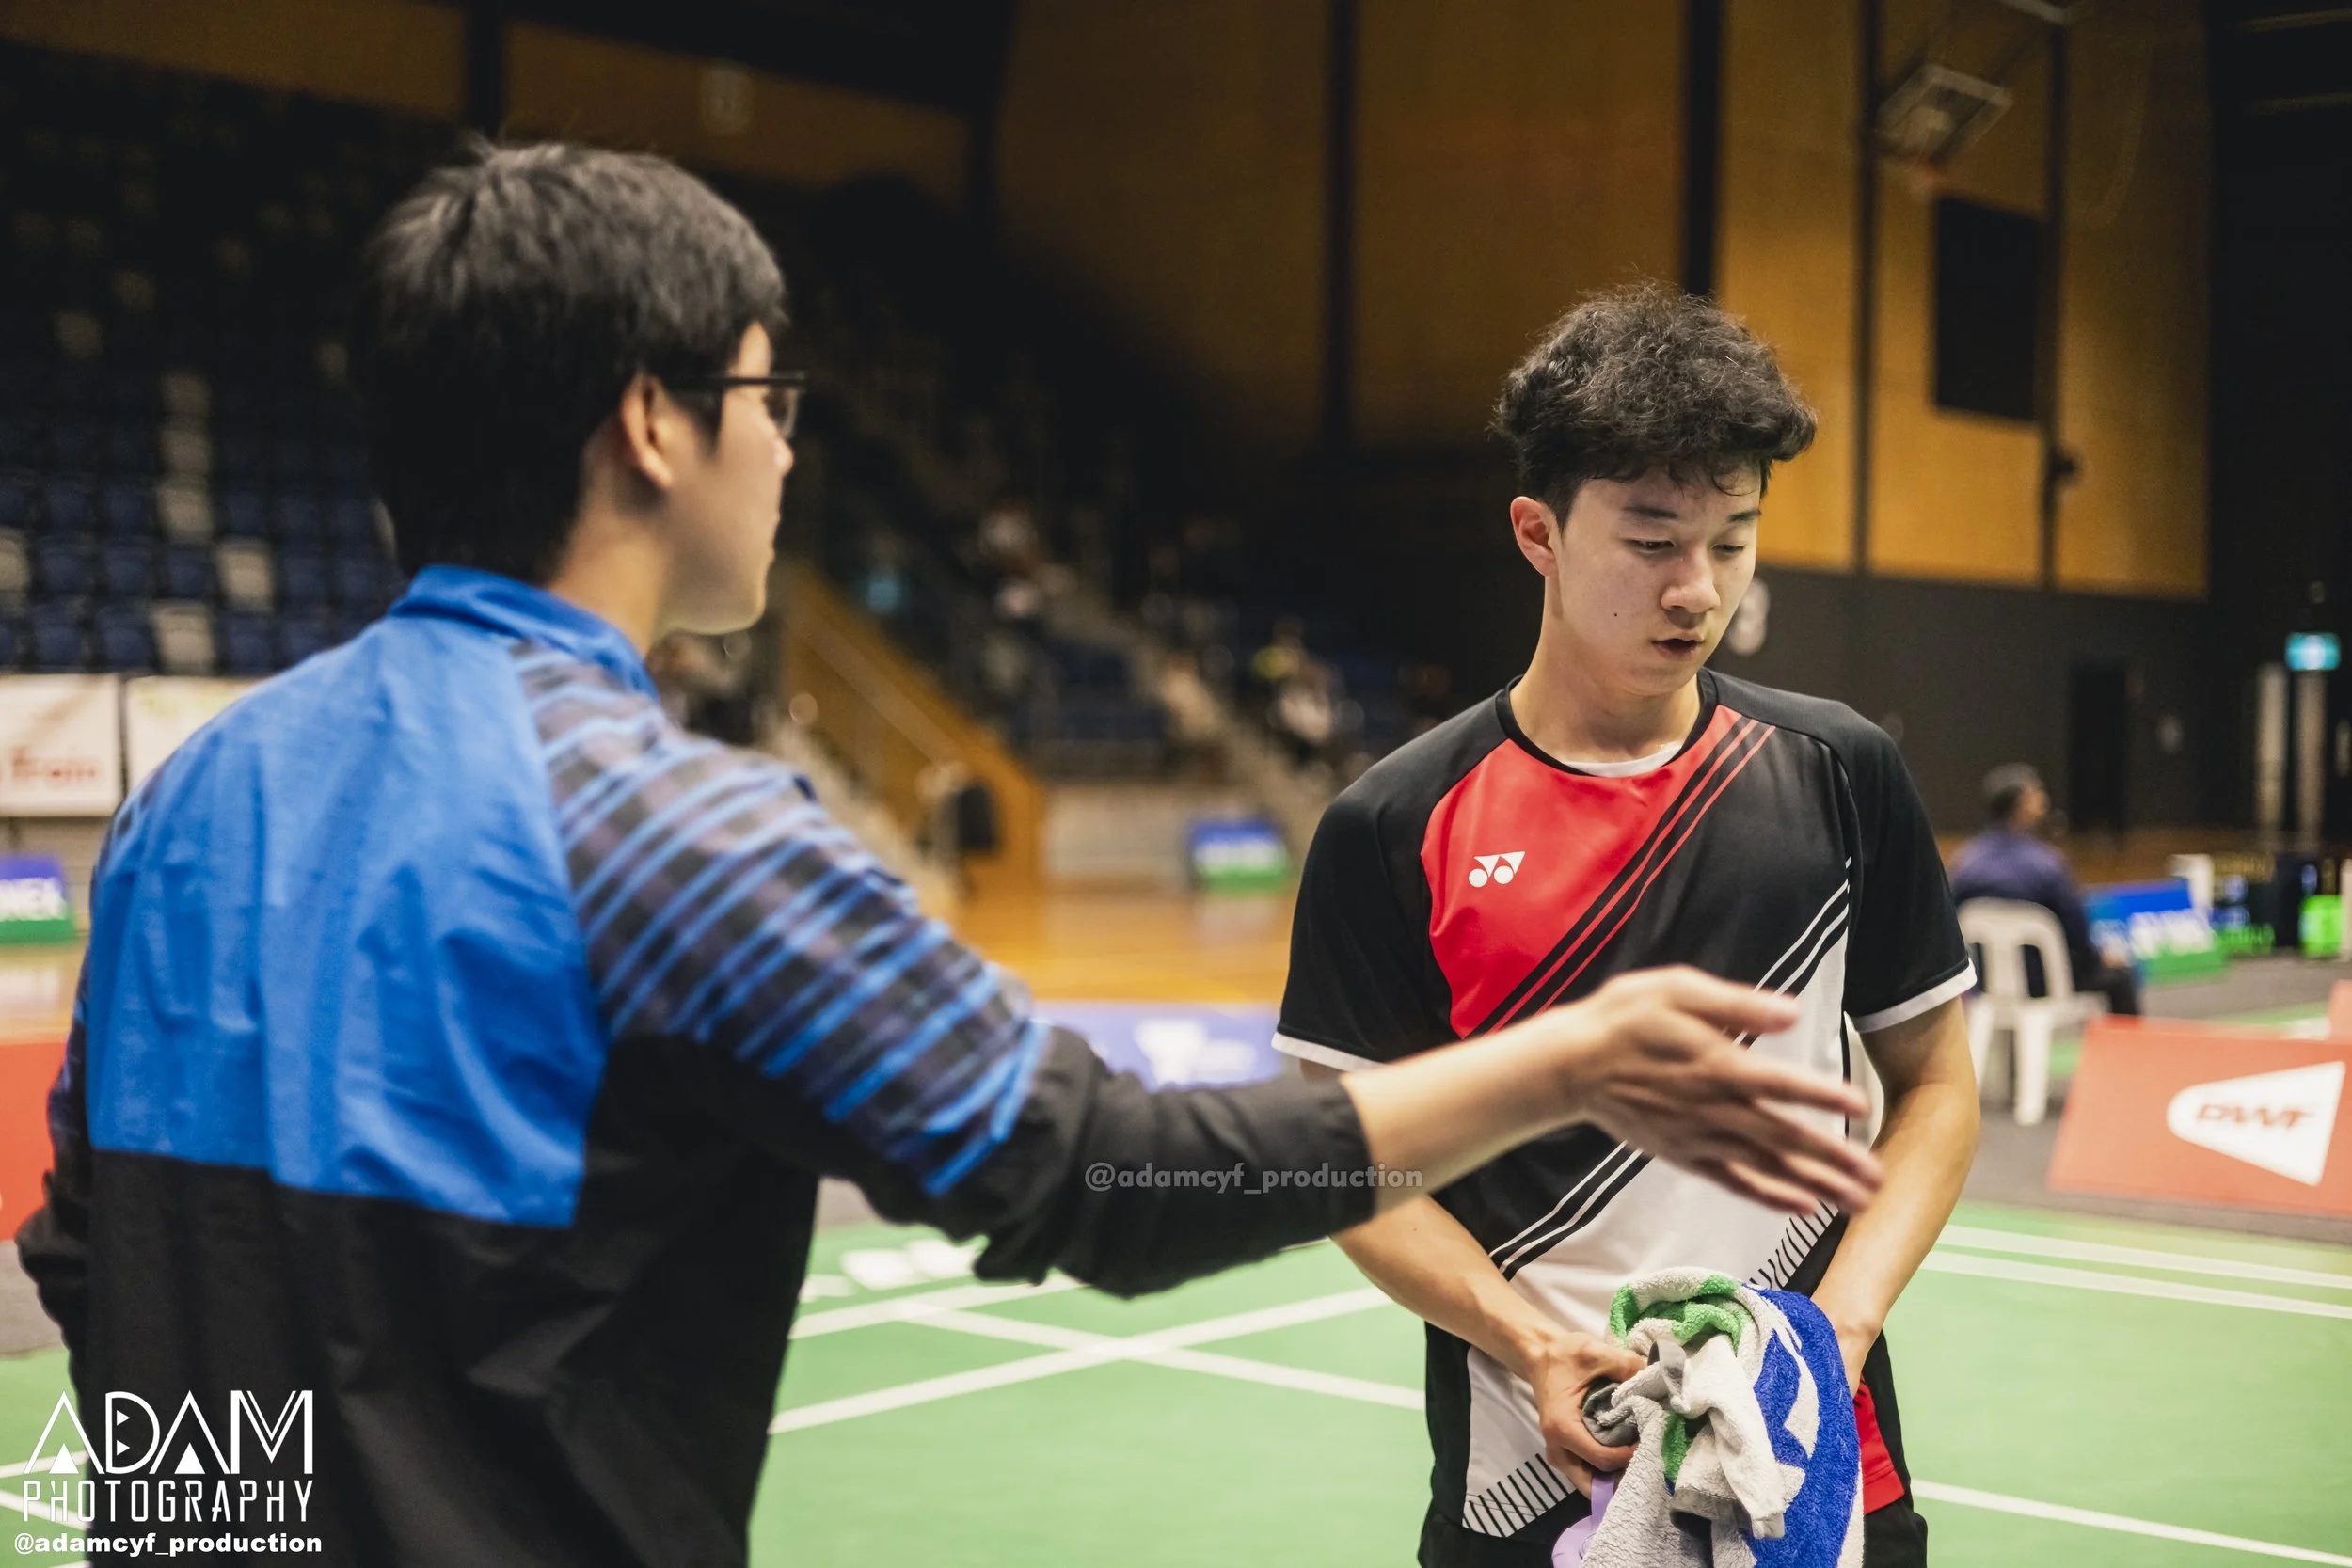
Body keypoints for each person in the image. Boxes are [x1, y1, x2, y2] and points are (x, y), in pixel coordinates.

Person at [14, 149, 1880, 1568]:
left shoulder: (190, 799)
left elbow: (90, 1253)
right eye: (771, 401)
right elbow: (1095, 1170)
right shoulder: (674, 835)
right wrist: (1554, 1061)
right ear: (654, 428)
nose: (788, 454)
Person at [1276, 284, 1981, 1568]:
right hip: (1531, 1465)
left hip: (1816, 1452)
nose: (1697, 588)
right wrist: (1527, 1336)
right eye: (1653, 538)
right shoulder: (1398, 822)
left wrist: (1841, 1328)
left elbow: (1935, 1083)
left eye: (1735, 538)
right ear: (1537, 531)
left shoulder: (1840, 770)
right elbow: (1350, 1162)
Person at [1948, 763, 2141, 1016]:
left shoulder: (1965, 863)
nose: (2044, 800)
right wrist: (2097, 959)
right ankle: (2125, 1055)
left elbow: (1949, 924)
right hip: (2046, 980)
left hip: (1985, 982)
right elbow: (2077, 934)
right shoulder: (2048, 864)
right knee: (2120, 977)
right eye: (2037, 793)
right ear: (2021, 804)